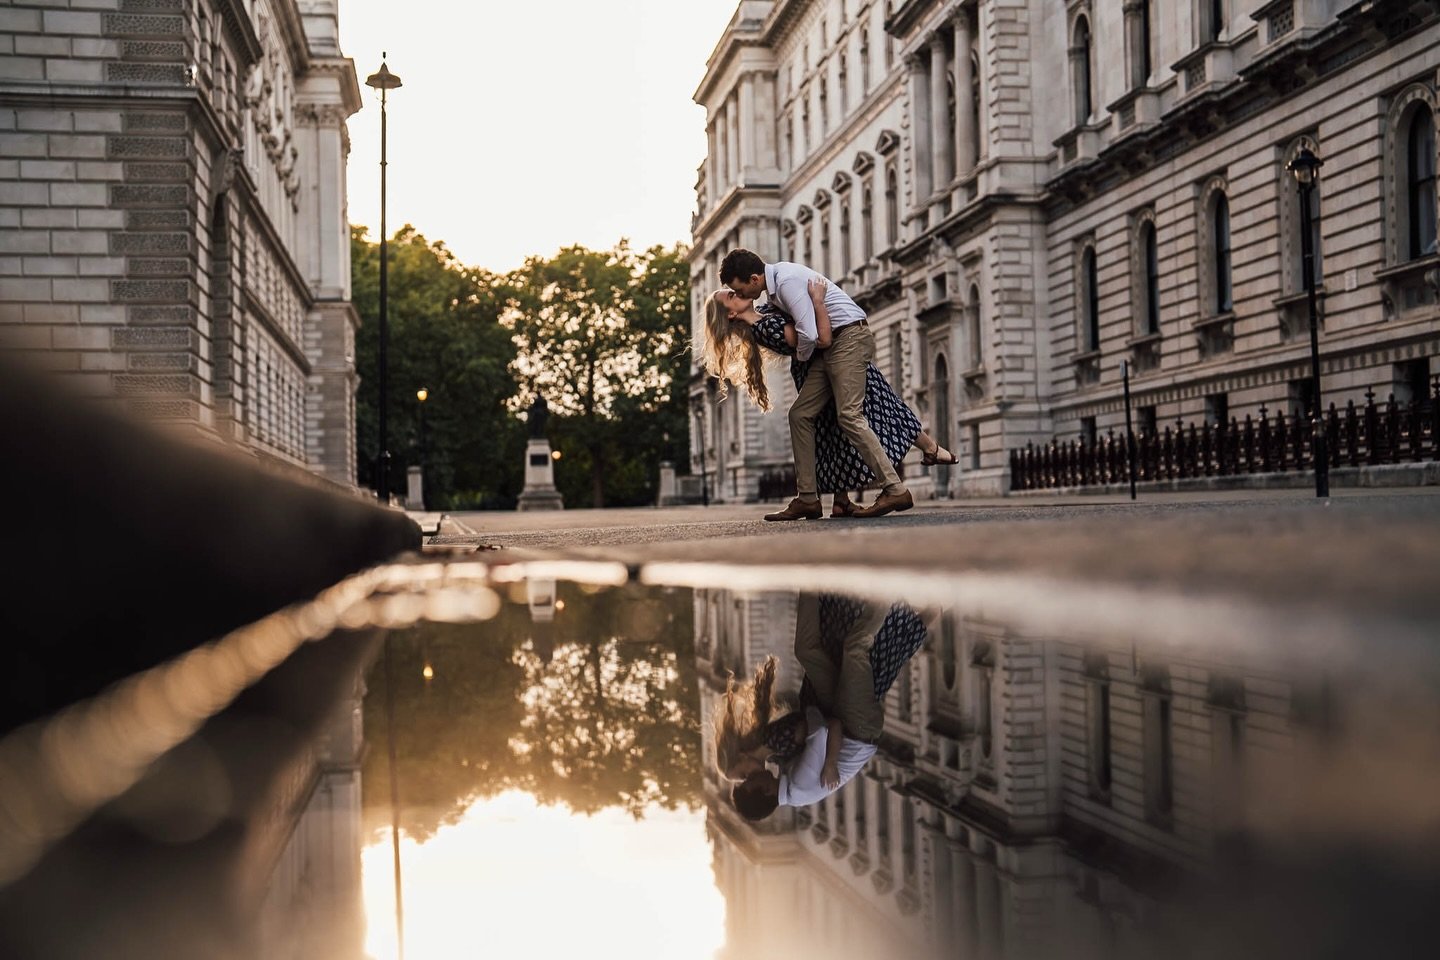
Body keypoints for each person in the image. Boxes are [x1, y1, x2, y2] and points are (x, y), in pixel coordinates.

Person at [717, 249, 956, 519]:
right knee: (801, 415)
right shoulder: (773, 291)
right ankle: (808, 498)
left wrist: (805, 356)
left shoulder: (785, 282)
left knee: (850, 415)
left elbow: (809, 334)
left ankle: (894, 489)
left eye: (739, 290)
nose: (742, 296)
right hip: (830, 347)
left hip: (847, 338)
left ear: (753, 278)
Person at [717, 594, 929, 821]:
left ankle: (810, 580)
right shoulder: (798, 785)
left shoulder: (786, 776)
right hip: (857, 727)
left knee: (806, 650)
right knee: (854, 648)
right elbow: (828, 727)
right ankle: (887, 589)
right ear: (766, 790)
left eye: (743, 776)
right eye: (748, 781)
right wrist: (829, 763)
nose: (748, 777)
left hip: (835, 712)